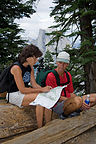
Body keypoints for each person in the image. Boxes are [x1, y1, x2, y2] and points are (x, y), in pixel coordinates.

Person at [5, 44, 52, 128]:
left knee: (46, 97)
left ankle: (48, 126)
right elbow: (22, 89)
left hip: (23, 93)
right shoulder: (16, 68)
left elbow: (34, 84)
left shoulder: (29, 68)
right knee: (40, 98)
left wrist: (45, 89)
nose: (37, 60)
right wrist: (41, 91)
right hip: (13, 94)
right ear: (30, 57)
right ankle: (40, 128)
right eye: (36, 57)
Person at [43, 51, 96, 123]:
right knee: (77, 101)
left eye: (65, 63)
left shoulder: (68, 75)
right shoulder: (51, 76)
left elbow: (71, 92)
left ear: (67, 64)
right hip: (57, 104)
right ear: (57, 63)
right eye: (60, 62)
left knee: (94, 97)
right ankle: (64, 115)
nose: (62, 65)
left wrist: (81, 101)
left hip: (70, 100)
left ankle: (76, 109)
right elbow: (54, 97)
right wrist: (77, 101)